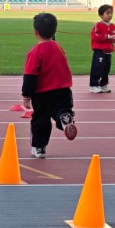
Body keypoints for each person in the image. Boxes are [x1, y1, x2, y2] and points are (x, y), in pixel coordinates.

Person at [21, 12, 78, 159]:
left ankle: (39, 148)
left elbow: (30, 75)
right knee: (62, 109)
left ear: (35, 32)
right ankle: (65, 118)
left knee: (41, 119)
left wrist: (26, 94)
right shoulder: (58, 47)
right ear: (54, 31)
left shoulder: (35, 52)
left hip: (43, 93)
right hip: (64, 90)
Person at [89, 4, 115, 93]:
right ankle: (94, 85)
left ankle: (103, 84)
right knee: (97, 67)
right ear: (101, 15)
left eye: (111, 13)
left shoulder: (113, 26)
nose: (110, 15)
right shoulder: (98, 25)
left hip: (109, 51)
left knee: (106, 69)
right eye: (107, 13)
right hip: (100, 51)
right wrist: (108, 37)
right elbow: (95, 36)